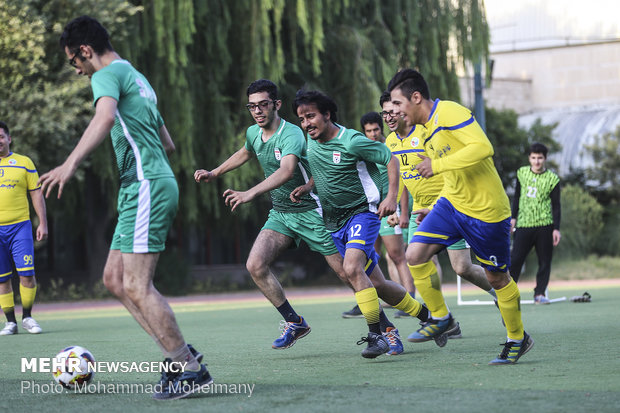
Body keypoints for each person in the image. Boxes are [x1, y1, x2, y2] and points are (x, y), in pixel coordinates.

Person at [39, 16, 210, 400]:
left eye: (74, 63)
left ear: (85, 51)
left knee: (137, 284)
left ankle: (187, 367)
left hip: (146, 184)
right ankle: (179, 354)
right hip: (147, 183)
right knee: (115, 280)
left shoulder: (106, 74)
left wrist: (69, 164)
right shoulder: (137, 77)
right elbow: (167, 141)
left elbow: (105, 117)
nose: (79, 71)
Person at [195, 80, 404, 356]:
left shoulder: (292, 134)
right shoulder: (254, 133)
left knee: (350, 274)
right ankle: (294, 322)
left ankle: (385, 330)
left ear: (276, 105)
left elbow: (286, 170)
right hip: (281, 214)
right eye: (252, 106)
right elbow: (246, 151)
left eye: (263, 104)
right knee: (255, 265)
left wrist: (249, 193)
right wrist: (215, 172)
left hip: (313, 213)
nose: (257, 111)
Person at [388, 69, 534, 365]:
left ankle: (518, 338)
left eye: (398, 104)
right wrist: (437, 205)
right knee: (414, 254)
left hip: (487, 211)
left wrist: (438, 165)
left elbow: (483, 147)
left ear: (416, 98)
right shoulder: (426, 131)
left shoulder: (449, 112)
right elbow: (454, 175)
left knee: (497, 277)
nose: (395, 111)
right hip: (452, 205)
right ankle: (442, 318)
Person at [291, 89, 443, 358]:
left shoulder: (352, 140)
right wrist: (308, 186)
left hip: (363, 213)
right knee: (378, 284)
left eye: (311, 116)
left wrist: (391, 198)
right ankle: (429, 318)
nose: (306, 124)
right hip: (334, 220)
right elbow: (323, 169)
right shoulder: (310, 139)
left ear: (327, 114)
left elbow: (390, 158)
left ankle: (377, 336)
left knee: (351, 268)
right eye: (302, 119)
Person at [381, 91, 498, 342]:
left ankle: (500, 294)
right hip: (419, 210)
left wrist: (441, 199)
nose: (389, 116)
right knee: (416, 258)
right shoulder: (390, 142)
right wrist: (401, 210)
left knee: (462, 268)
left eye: (393, 110)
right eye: (385, 112)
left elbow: (450, 164)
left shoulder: (425, 132)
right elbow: (401, 179)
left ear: (405, 109)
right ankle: (442, 319)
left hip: (447, 205)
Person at [342, 112, 416, 319]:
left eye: (376, 129)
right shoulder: (362, 149)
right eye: (369, 130)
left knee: (397, 255)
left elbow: (401, 185)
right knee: (366, 256)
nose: (373, 134)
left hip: (389, 209)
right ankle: (367, 298)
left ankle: (410, 298)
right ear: (363, 131)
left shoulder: (388, 149)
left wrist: (402, 213)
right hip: (368, 211)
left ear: (381, 129)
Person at [0, 121, 46, 336]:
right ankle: (10, 322)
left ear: (9, 138)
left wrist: (42, 222)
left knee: (26, 274)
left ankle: (27, 317)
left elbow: (36, 194)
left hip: (21, 227)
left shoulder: (24, 162)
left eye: (1, 136)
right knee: (2, 278)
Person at [510, 142, 561, 304]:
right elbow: (517, 196)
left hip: (545, 225)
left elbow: (556, 205)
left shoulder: (552, 179)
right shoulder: (522, 173)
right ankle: (508, 293)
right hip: (524, 224)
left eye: (540, 158)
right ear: (529, 158)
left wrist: (556, 229)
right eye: (533, 158)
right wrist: (513, 217)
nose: (537, 161)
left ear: (545, 159)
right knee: (516, 259)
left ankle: (539, 294)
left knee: (545, 261)